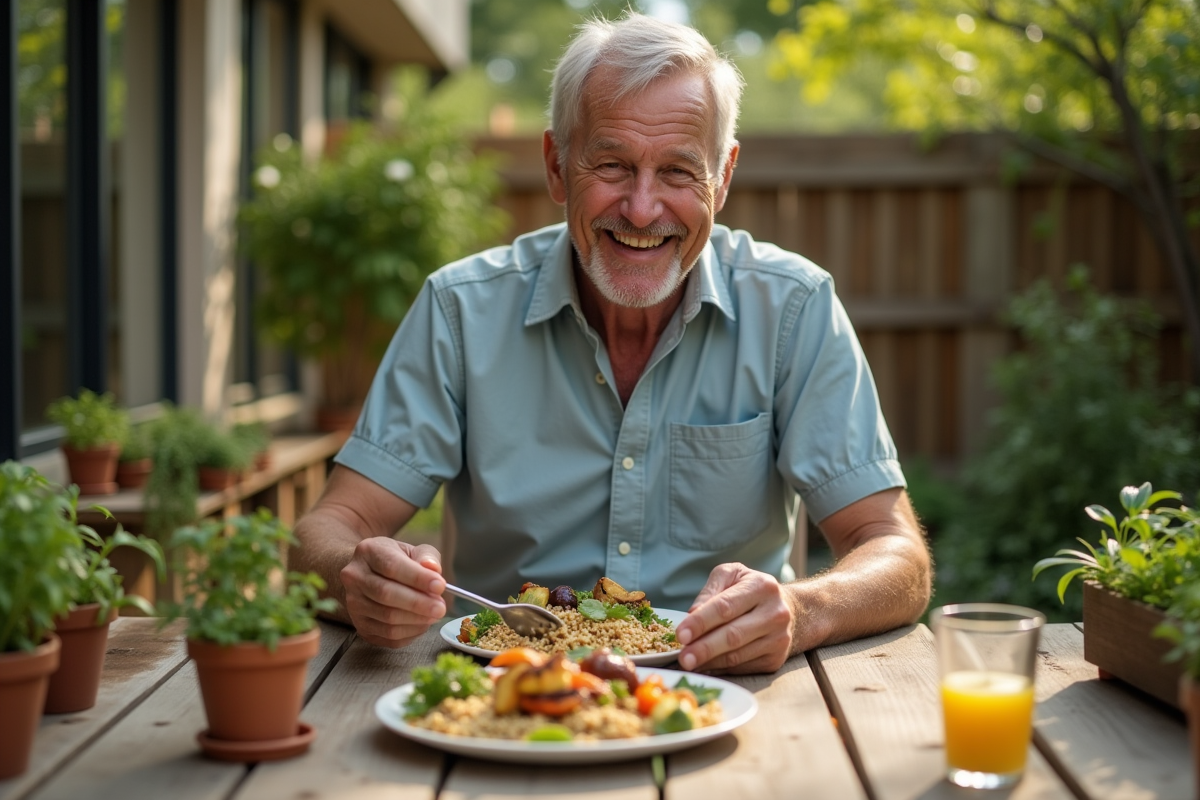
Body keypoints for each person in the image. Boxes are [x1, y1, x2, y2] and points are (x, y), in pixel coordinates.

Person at [292, 12, 931, 675]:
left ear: (724, 176)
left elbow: (894, 550)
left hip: (729, 701)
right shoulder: (460, 311)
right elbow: (325, 531)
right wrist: (357, 578)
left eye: (679, 172)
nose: (643, 208)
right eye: (613, 165)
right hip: (502, 701)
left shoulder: (794, 309)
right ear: (556, 166)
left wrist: (805, 610)